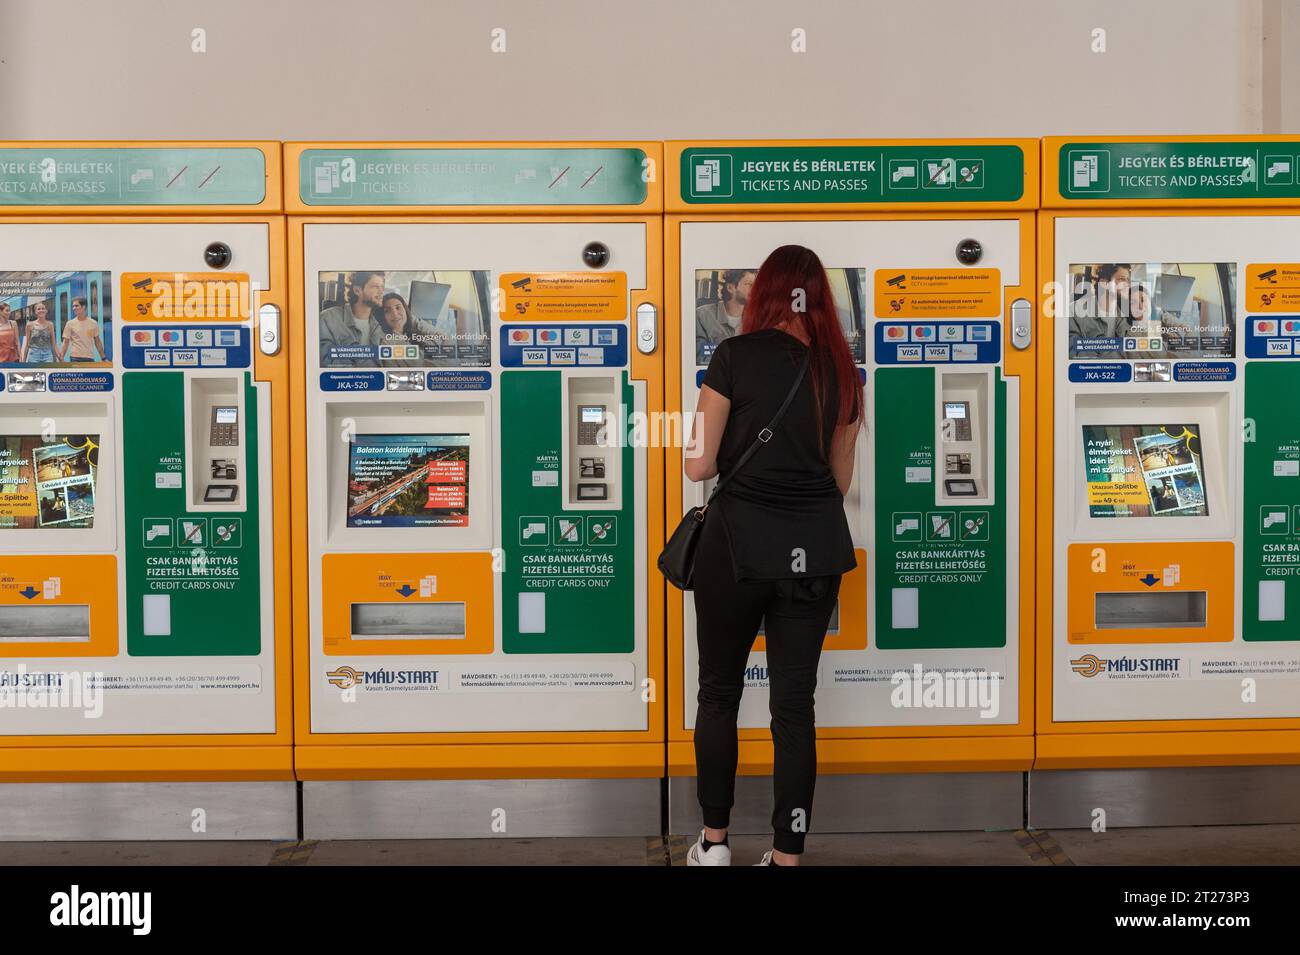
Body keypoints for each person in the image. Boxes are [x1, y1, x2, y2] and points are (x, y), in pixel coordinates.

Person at [683, 244, 862, 866]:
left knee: (719, 694)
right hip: (813, 554)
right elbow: (840, 483)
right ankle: (787, 856)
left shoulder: (733, 356)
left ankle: (715, 843)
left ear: (764, 296)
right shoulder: (842, 370)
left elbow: (698, 464)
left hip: (734, 551)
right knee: (793, 707)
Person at [319, 271, 385, 365]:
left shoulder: (380, 327)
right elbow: (325, 361)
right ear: (357, 290)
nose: (381, 291)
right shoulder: (327, 318)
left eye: (382, 287)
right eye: (375, 286)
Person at [370, 291, 447, 367]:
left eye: (398, 307)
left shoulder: (411, 330)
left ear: (405, 310)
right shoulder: (389, 342)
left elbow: (443, 337)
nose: (395, 314)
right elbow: (426, 366)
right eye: (387, 311)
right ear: (383, 318)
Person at [695, 269, 755, 364]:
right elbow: (701, 358)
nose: (754, 288)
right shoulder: (702, 315)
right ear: (730, 288)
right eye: (748, 284)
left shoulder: (756, 319)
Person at [61, 297, 105, 363]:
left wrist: (103, 358)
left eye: (76, 306)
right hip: (75, 358)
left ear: (83, 307)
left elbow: (97, 341)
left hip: (89, 358)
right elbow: (65, 342)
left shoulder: (93, 323)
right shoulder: (70, 324)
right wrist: (61, 357)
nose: (74, 308)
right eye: (73, 306)